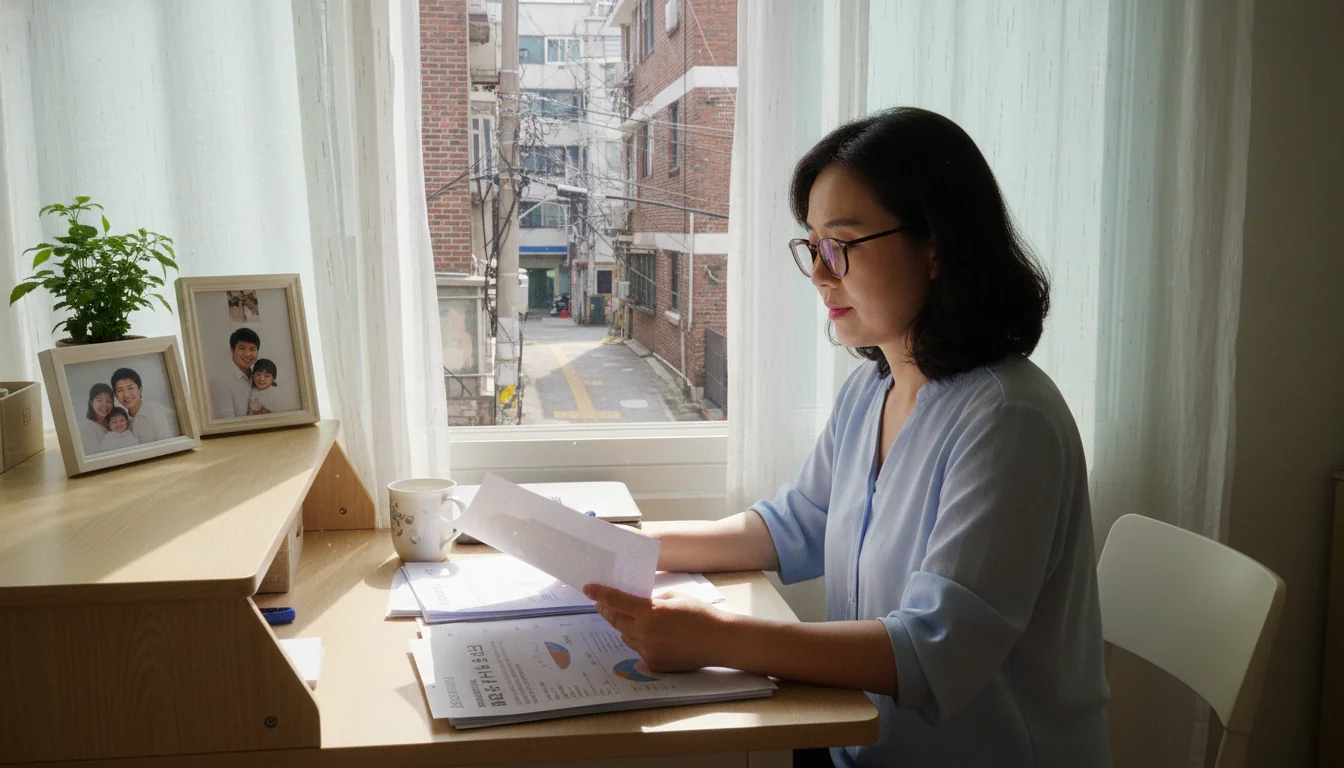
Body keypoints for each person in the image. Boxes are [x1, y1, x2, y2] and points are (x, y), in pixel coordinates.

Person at [582, 108, 1109, 767]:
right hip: (860, 745)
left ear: (936, 246)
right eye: (814, 247)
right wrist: (620, 550)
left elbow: (933, 647)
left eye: (843, 245)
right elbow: (791, 526)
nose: (821, 275)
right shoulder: (874, 388)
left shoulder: (1009, 420)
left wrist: (714, 639)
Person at [112, 368, 182, 444]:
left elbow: (168, 447)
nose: (126, 394)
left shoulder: (156, 413)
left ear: (140, 389)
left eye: (130, 388)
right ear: (116, 395)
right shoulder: (121, 418)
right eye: (120, 390)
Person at [212, 327, 260, 419]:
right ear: (232, 351)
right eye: (242, 348)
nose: (247, 354)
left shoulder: (258, 377)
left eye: (252, 349)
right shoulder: (221, 380)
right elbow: (227, 422)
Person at [78, 383, 116, 455]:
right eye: (99, 400)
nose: (104, 405)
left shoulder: (116, 424)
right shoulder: (86, 429)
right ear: (91, 403)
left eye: (108, 401)